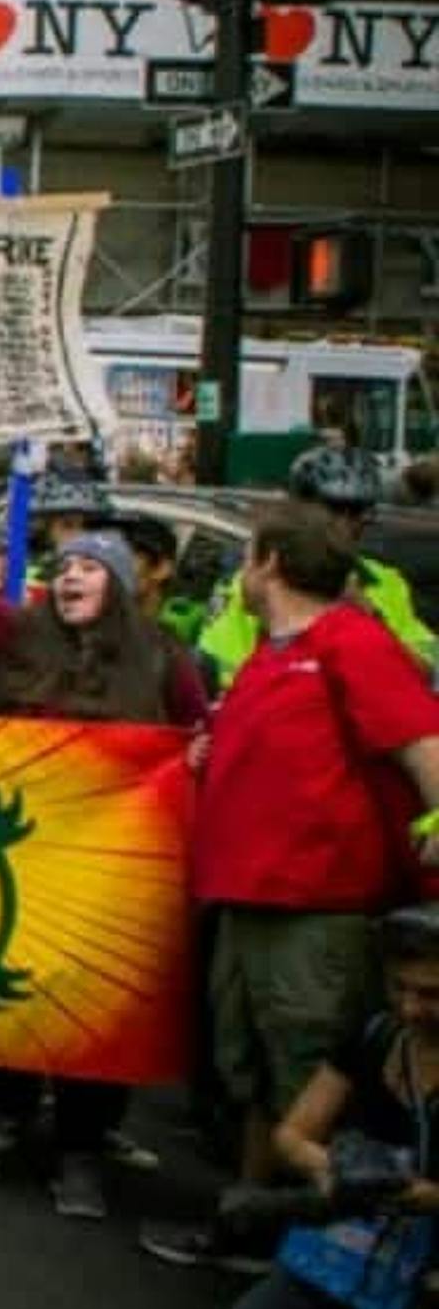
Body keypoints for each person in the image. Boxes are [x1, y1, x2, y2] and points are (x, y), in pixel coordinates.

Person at [151, 502, 439, 1268]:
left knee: (307, 1070)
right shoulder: (271, 654)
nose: (243, 573)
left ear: (270, 560)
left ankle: (315, 1247)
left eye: (248, 557)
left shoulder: (349, 640)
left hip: (314, 906)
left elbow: (420, 745)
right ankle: (247, 1220)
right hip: (246, 896)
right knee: (249, 1071)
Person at [0, 455, 207, 1213]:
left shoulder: (163, 658)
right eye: (65, 565)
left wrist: (201, 752)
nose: (74, 574)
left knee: (88, 1006)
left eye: (92, 565)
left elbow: (199, 733)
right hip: (12, 861)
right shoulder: (18, 637)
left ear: (120, 585)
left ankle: (80, 1149)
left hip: (103, 875)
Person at [203, 903, 439, 1309]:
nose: (411, 1006)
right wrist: (335, 1169)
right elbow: (293, 1134)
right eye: (402, 988)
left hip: (425, 1271)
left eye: (431, 995)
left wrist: (425, 1195)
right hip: (353, 1234)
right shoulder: (378, 1035)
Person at [201, 446, 436, 684]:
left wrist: (368, 616)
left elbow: (423, 675)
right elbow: (224, 679)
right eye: (332, 509)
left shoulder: (386, 582)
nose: (343, 525)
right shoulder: (255, 584)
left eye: (355, 511)